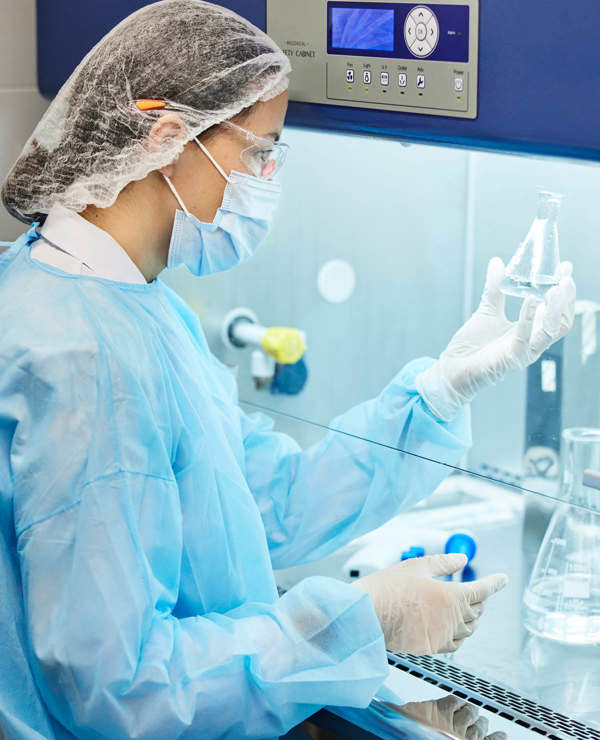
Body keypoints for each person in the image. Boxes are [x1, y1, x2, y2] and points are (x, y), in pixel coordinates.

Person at [0, 1, 575, 739]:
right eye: (261, 153)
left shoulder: (126, 306)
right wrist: (359, 620)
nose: (268, 179)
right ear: (169, 139)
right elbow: (122, 690)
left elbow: (258, 502)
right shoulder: (83, 362)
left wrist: (437, 391)